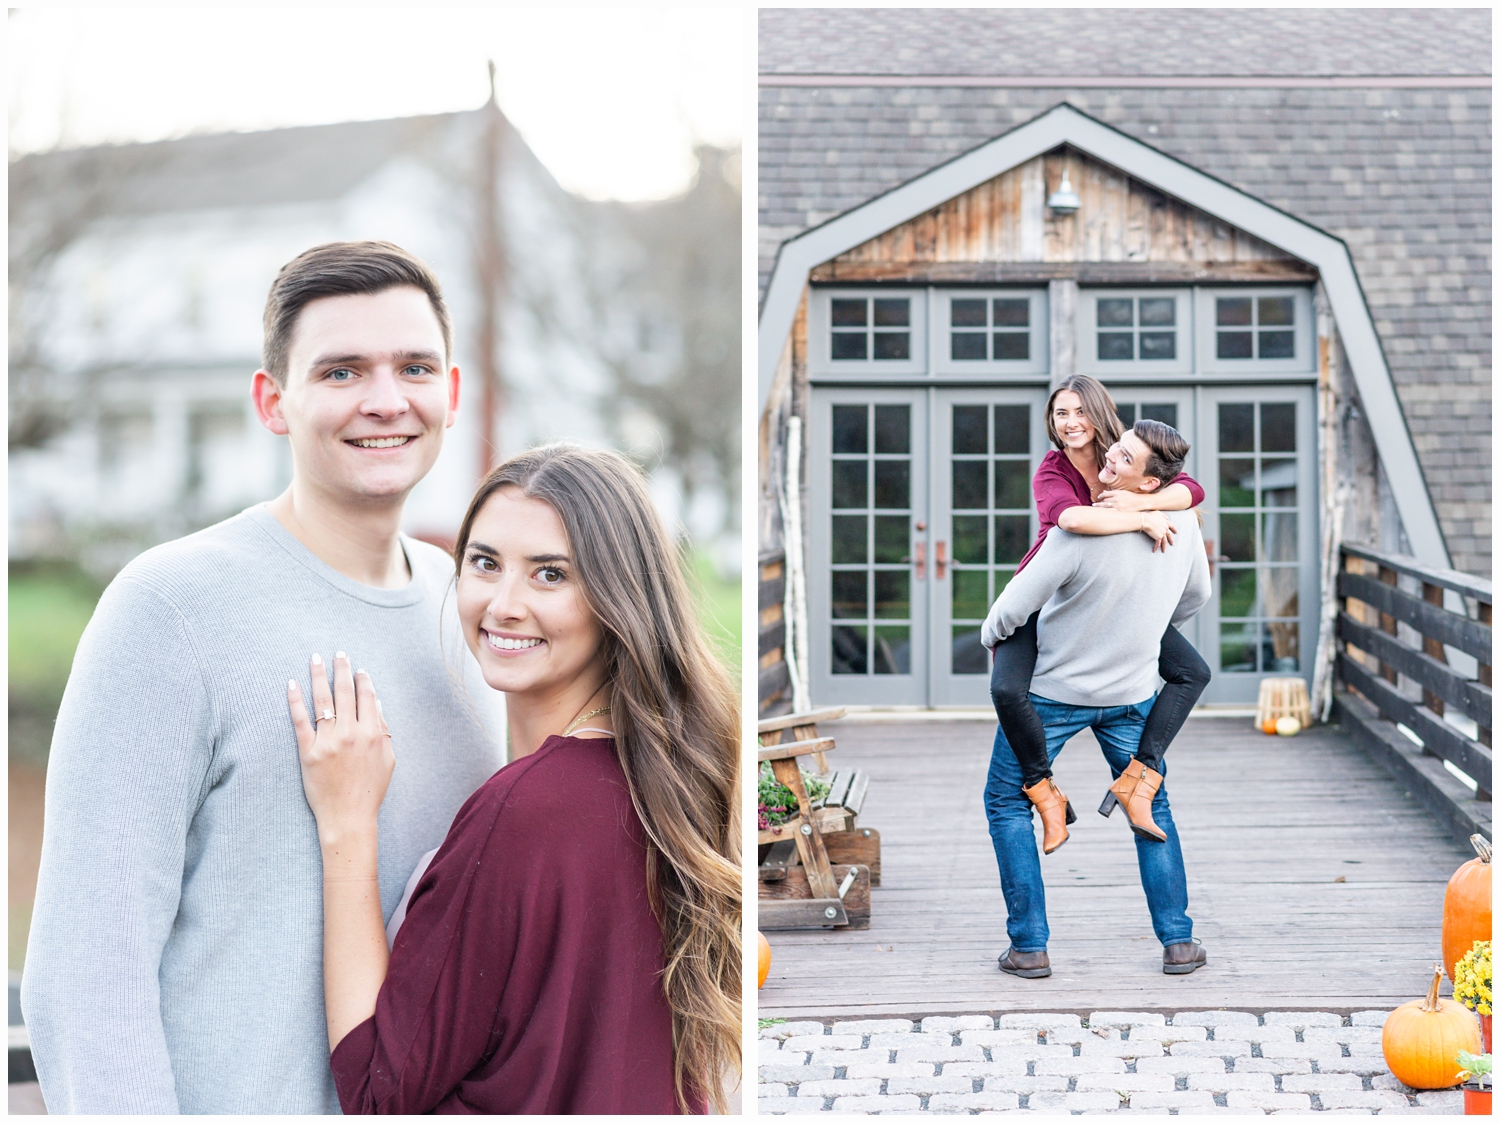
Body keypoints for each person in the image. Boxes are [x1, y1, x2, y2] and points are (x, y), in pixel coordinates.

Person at [22, 242, 505, 1114]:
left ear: (452, 392)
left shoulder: (471, 616)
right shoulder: (169, 609)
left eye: (414, 367)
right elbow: (88, 976)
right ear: (273, 401)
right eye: (342, 371)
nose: (386, 399)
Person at [289, 445, 741, 1115]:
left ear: (617, 595)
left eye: (550, 575)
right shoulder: (670, 778)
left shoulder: (525, 810)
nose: (503, 604)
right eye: (485, 563)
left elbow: (380, 1092)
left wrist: (348, 825)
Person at [980, 420, 1212, 980]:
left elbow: (1013, 608)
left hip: (1053, 696)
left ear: (1148, 482)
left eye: (1124, 455)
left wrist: (994, 640)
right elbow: (1197, 595)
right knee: (1151, 807)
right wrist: (1137, 631)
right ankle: (1178, 942)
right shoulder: (1181, 524)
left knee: (1007, 804)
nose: (1109, 455)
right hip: (1130, 693)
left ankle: (1029, 947)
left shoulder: (1073, 536)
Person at [991, 375, 1211, 855]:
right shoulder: (1052, 470)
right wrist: (1140, 519)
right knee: (1006, 688)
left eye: (1079, 412)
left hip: (1112, 596)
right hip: (1048, 591)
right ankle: (1043, 790)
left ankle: (1142, 776)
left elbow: (1192, 491)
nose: (1070, 423)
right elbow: (1071, 521)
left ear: (1099, 413)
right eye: (1060, 413)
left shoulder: (1125, 451)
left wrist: (1144, 500)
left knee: (1193, 671)